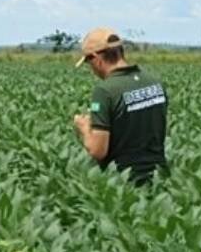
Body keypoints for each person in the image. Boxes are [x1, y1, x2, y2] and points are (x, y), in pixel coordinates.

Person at [71, 27, 168, 185]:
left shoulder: (105, 91)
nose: (92, 69)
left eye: (89, 63)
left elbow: (98, 151)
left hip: (125, 183)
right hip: (159, 179)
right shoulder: (154, 82)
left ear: (96, 58)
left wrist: (84, 128)